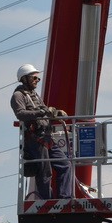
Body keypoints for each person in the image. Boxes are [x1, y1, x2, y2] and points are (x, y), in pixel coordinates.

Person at [11, 64, 74, 199]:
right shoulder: (18, 96)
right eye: (34, 78)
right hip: (34, 140)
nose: (36, 80)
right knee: (44, 172)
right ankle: (47, 201)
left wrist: (55, 113)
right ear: (24, 78)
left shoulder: (35, 96)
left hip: (46, 137)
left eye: (37, 79)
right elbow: (21, 114)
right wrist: (41, 112)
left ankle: (64, 198)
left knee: (65, 164)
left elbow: (45, 110)